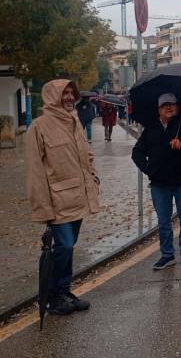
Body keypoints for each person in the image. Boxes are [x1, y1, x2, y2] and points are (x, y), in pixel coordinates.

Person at [26, 80, 99, 316]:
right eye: (64, 93)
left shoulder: (74, 120)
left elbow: (85, 156)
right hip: (56, 201)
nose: (69, 97)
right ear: (52, 96)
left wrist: (93, 179)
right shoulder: (38, 127)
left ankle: (64, 291)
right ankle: (51, 296)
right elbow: (36, 172)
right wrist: (43, 208)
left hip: (78, 198)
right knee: (64, 246)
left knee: (68, 247)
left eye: (71, 93)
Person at [132, 93, 181, 270]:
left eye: (173, 104)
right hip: (159, 184)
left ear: (178, 107)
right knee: (163, 221)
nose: (169, 107)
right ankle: (167, 255)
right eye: (165, 105)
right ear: (159, 109)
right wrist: (149, 169)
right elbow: (137, 153)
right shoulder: (151, 130)